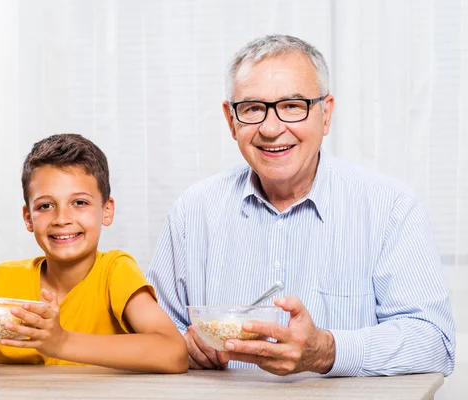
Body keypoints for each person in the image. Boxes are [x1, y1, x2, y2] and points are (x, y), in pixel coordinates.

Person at [147, 34, 455, 376]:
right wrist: (184, 346)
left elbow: (434, 343)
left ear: (326, 114)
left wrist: (328, 351)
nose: (271, 127)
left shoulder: (391, 208)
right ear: (230, 120)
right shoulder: (193, 211)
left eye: (293, 106)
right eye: (252, 108)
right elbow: (154, 333)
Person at [0, 133, 188, 373]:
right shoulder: (2, 280)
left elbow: (173, 353)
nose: (62, 218)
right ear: (28, 217)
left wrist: (61, 342)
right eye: (45, 206)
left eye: (80, 203)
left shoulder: (115, 270)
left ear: (106, 210)